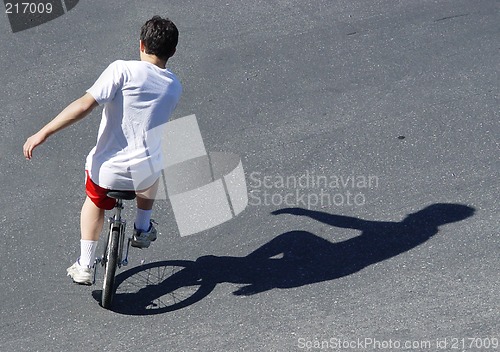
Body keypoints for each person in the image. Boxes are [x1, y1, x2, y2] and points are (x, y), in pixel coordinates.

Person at [22, 16, 182, 285]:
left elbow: (85, 105)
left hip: (108, 172)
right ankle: (142, 228)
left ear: (141, 44)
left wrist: (43, 132)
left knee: (95, 201)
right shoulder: (174, 85)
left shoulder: (122, 70)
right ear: (173, 52)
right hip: (144, 175)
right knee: (154, 163)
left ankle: (85, 263)